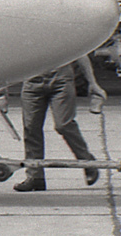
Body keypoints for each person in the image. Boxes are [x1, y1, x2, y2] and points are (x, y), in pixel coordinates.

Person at [15, 54, 106, 191]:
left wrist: (92, 83)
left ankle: (88, 162)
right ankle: (35, 176)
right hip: (32, 82)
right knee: (31, 128)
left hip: (60, 80)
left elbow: (80, 53)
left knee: (63, 124)